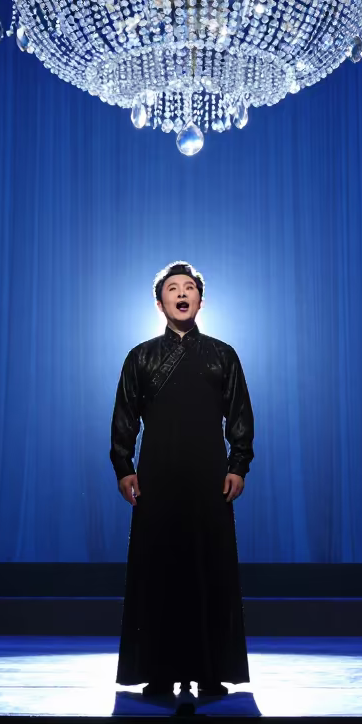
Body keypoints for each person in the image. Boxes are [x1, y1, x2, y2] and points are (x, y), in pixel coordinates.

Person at [110, 261, 254, 699]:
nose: (181, 293)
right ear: (160, 302)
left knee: (209, 569)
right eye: (173, 288)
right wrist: (124, 467)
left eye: (188, 287)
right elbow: (124, 419)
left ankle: (210, 673)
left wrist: (237, 465)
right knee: (160, 571)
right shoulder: (140, 356)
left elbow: (241, 416)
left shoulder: (223, 354)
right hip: (157, 477)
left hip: (210, 477)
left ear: (200, 300)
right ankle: (159, 672)